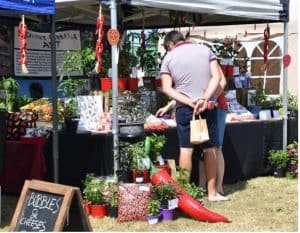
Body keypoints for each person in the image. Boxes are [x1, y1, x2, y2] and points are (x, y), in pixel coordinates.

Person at [159, 30, 227, 201]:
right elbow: (218, 77)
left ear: (170, 45)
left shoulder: (168, 57)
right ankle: (212, 193)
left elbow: (167, 88)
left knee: (186, 150)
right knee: (209, 148)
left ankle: (185, 195)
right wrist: (204, 99)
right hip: (206, 106)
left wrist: (189, 102)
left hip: (184, 108)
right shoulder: (205, 50)